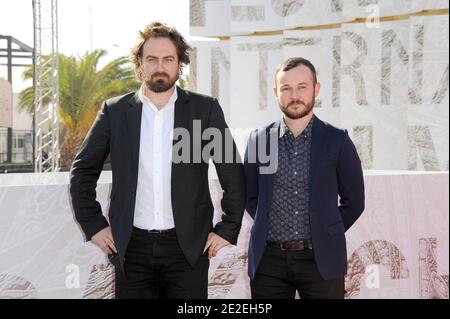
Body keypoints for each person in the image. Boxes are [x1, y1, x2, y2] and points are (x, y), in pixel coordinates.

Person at [70, 22, 246, 299]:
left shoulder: (204, 109)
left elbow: (232, 172)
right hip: (131, 247)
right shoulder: (115, 112)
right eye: (151, 59)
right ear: (140, 63)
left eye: (168, 59)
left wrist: (227, 228)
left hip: (188, 247)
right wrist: (94, 225)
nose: (159, 66)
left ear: (179, 64)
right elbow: (82, 172)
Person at [244, 57, 365, 299]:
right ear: (276, 93)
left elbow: (355, 201)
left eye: (302, 87)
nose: (294, 95)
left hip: (321, 259)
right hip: (269, 262)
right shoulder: (259, 140)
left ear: (315, 89)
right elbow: (250, 196)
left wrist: (327, 229)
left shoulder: (337, 140)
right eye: (286, 88)